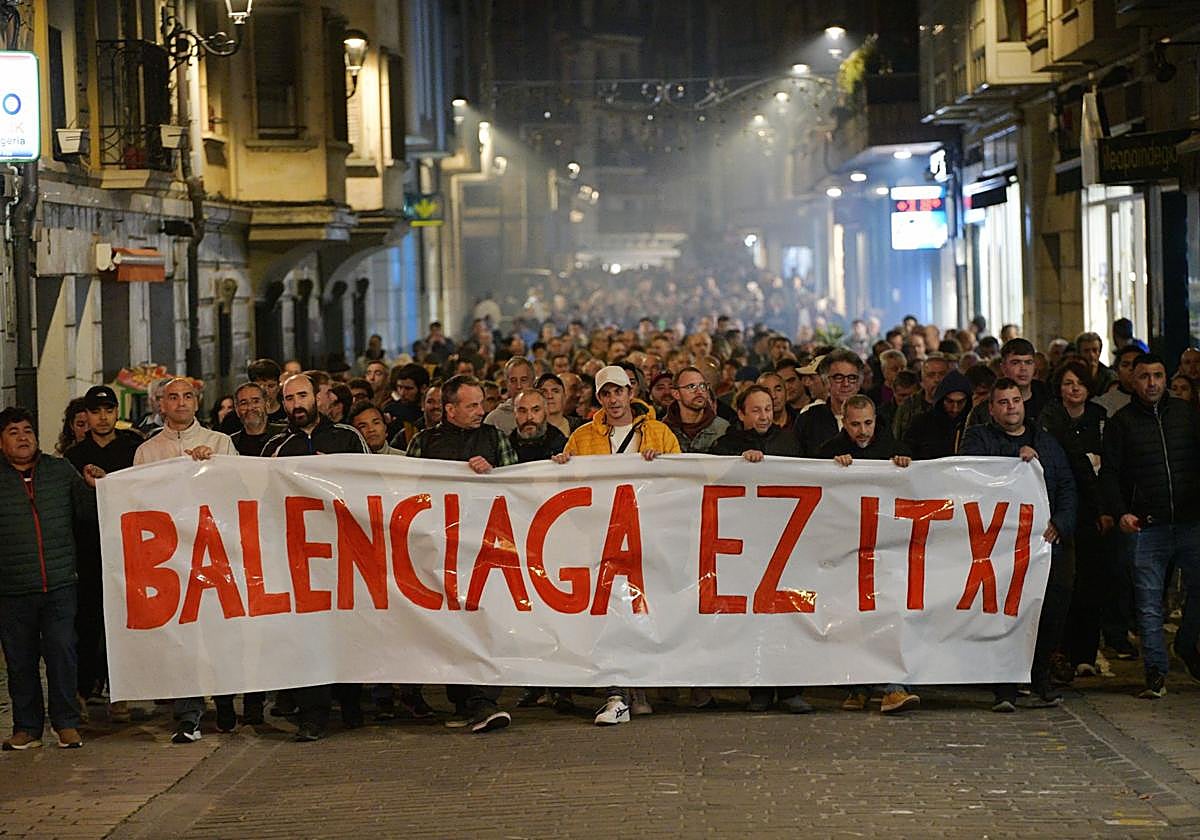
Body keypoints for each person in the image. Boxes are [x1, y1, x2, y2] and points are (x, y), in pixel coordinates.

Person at [553, 365, 681, 725]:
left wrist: (665, 466)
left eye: (618, 392)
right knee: (610, 612)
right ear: (599, 398)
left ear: (631, 392)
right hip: (600, 539)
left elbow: (680, 482)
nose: (613, 400)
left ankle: (633, 685)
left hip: (646, 535)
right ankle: (618, 692)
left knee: (641, 610)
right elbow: (569, 485)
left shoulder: (659, 432)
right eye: (605, 394)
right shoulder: (581, 437)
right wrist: (562, 465)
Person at [262, 374, 370, 741]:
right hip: (301, 558)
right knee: (308, 636)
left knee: (348, 629)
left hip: (345, 550)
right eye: (289, 398)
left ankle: (352, 704)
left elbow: (371, 485)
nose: (297, 404)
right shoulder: (276, 447)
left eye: (303, 395)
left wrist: (335, 475)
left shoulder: (346, 437)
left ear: (318, 398)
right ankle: (313, 716)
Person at [959, 378, 1076, 711]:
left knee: (1048, 612)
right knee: (1004, 614)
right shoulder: (979, 438)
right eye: (1004, 402)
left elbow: (1067, 485)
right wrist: (1016, 459)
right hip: (999, 547)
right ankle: (1005, 686)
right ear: (992, 408)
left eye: (1016, 401)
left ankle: (1040, 678)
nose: (1011, 407)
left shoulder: (1046, 442)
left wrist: (1061, 524)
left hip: (1043, 543)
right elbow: (971, 474)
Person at [407, 375, 515, 734]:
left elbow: (518, 488)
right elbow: (409, 493)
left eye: (481, 403)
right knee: (451, 625)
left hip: (486, 549)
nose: (480, 411)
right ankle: (468, 700)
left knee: (483, 622)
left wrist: (494, 475)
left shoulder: (495, 438)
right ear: (449, 408)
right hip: (441, 551)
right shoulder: (424, 443)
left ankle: (482, 700)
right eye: (471, 405)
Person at [133, 379, 237, 742]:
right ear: (161, 404)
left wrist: (212, 467)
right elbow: (139, 502)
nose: (180, 403)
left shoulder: (221, 443)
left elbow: (236, 492)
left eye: (187, 396)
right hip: (171, 559)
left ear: (197, 402)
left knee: (218, 632)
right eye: (172, 397)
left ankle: (225, 700)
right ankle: (188, 715)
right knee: (183, 636)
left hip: (213, 552)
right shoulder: (147, 451)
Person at [0, 406, 101, 751]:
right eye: (13, 432)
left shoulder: (59, 471)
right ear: (1, 441)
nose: (23, 437)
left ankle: (66, 723)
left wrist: (93, 487)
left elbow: (87, 514)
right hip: (12, 588)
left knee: (62, 653)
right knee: (20, 660)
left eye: (27, 430)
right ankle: (27, 727)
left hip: (59, 583)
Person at [1100, 353, 1200, 699]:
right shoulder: (1122, 423)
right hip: (1147, 524)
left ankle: (1186, 644)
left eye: (1158, 376)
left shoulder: (1186, 416)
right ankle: (1155, 672)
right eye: (1145, 377)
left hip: (1190, 521)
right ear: (1133, 380)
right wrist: (1120, 511)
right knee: (1147, 600)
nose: (1152, 383)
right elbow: (1110, 474)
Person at [710, 386, 812, 714]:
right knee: (753, 617)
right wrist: (741, 465)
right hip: (745, 543)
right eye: (756, 410)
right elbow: (711, 480)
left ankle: (790, 688)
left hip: (785, 541)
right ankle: (758, 688)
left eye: (768, 408)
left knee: (788, 615)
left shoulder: (790, 442)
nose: (764, 415)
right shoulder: (727, 446)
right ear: (741, 414)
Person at [818, 396, 918, 714]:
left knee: (889, 616)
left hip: (885, 551)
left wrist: (904, 467)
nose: (862, 431)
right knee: (854, 619)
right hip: (846, 550)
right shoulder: (826, 452)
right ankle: (858, 686)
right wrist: (833, 467)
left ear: (876, 420)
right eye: (855, 424)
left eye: (868, 423)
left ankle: (893, 686)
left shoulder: (896, 449)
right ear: (844, 423)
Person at [63, 386, 143, 721]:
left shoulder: (133, 448)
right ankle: (83, 690)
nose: (103, 417)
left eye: (108, 410)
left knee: (124, 621)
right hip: (89, 551)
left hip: (128, 549)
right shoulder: (74, 457)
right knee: (88, 621)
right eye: (96, 411)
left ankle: (120, 691)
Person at [1038, 361, 1114, 679]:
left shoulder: (1099, 417)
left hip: (1092, 511)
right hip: (1060, 510)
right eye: (1068, 383)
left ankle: (1085, 652)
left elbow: (1107, 464)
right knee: (1062, 585)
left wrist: (1104, 508)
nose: (1074, 389)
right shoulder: (1050, 418)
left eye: (1079, 383)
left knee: (1091, 583)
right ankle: (1059, 652)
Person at [965, 339, 1049, 430]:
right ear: (1003, 367)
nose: (1023, 368)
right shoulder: (984, 411)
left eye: (1028, 362)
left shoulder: (1049, 401)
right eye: (1015, 362)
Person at [794, 350, 863, 456]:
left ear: (859, 384)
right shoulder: (808, 420)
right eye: (838, 378)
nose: (846, 383)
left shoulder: (877, 421)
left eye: (852, 378)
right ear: (826, 382)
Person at [903, 370, 971, 461]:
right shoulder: (921, 423)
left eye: (960, 402)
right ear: (941, 400)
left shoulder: (972, 424)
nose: (955, 408)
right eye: (950, 401)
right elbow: (906, 452)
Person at [663, 367, 728, 453]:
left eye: (702, 386)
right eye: (691, 386)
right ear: (676, 394)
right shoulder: (663, 430)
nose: (699, 391)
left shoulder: (723, 429)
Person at [891, 353, 950, 441]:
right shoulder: (908, 406)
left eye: (942, 374)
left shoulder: (958, 405)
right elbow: (896, 438)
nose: (937, 380)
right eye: (931, 375)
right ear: (922, 380)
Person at [508, 390, 567, 463]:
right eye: (523, 411)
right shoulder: (505, 447)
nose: (529, 417)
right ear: (515, 414)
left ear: (546, 411)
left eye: (536, 410)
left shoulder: (563, 446)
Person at [483, 357, 535, 435]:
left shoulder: (545, 412)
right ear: (507, 384)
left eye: (523, 380)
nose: (519, 386)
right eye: (513, 380)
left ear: (533, 381)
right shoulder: (494, 419)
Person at [247, 359, 288, 425]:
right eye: (259, 386)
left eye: (271, 386)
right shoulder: (238, 416)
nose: (266, 392)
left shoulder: (288, 414)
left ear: (278, 386)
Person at [1076, 332, 1117, 396]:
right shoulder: (1073, 375)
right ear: (1079, 353)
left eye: (1094, 350)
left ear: (1099, 352)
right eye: (1086, 351)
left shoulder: (1110, 377)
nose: (1091, 355)